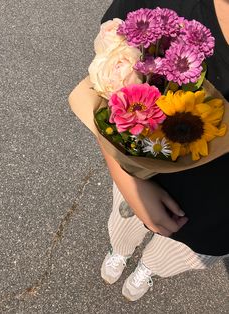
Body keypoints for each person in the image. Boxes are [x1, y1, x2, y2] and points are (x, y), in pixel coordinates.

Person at [97, 0, 229, 301]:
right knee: (122, 229)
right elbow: (105, 87)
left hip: (210, 225)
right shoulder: (167, 8)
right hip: (137, 181)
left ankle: (148, 268)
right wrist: (127, 181)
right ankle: (120, 251)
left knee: (171, 258)